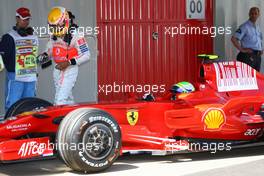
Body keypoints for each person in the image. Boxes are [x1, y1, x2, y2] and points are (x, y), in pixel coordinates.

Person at [41, 6, 90, 105]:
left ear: (64, 21)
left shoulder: (76, 35)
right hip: (57, 68)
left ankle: (61, 119)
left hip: (70, 68)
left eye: (57, 25)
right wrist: (45, 55)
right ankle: (73, 117)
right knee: (68, 98)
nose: (55, 29)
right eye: (52, 26)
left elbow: (86, 55)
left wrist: (68, 63)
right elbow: (51, 49)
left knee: (59, 100)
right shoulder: (53, 34)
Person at [0, 7, 38, 111]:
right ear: (17, 19)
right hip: (16, 77)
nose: (26, 21)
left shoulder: (33, 36)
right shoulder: (9, 37)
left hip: (30, 77)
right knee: (12, 106)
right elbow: (1, 57)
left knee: (29, 106)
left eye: (28, 19)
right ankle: (10, 126)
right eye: (23, 18)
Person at [231, 7, 263, 72]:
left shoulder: (258, 28)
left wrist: (261, 49)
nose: (253, 15)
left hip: (257, 56)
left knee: (255, 78)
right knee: (247, 77)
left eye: (255, 13)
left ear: (258, 15)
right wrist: (242, 50)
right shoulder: (244, 26)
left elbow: (259, 40)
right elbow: (233, 39)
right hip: (248, 56)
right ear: (249, 14)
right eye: (252, 13)